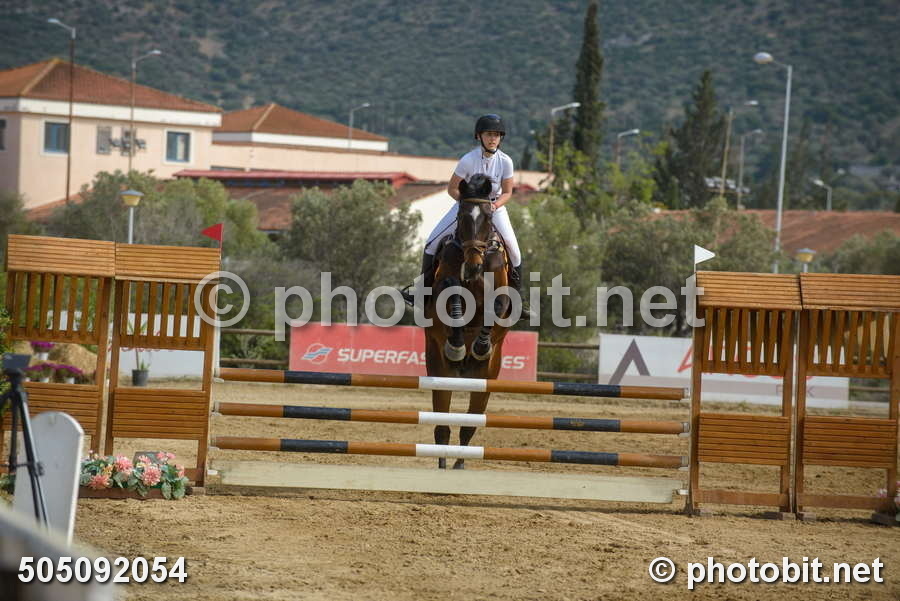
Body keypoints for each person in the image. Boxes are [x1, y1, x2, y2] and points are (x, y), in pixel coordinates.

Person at [401, 114, 523, 304]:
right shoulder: (468, 160)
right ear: (479, 136)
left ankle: (519, 299)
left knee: (514, 251)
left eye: (497, 135)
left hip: (494, 208)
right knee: (431, 242)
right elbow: (452, 188)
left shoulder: (506, 161)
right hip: (466, 208)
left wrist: (494, 205)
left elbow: (507, 192)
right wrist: (467, 205)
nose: (493, 139)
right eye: (489, 134)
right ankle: (422, 292)